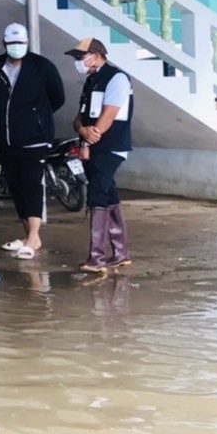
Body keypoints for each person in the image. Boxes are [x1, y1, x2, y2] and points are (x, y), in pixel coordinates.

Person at [0, 23, 66, 259]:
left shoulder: (42, 66)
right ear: (4, 44)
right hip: (7, 139)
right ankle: (30, 237)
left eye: (20, 43)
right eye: (12, 43)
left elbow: (58, 97)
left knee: (32, 184)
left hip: (34, 138)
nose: (16, 47)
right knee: (16, 186)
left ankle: (33, 237)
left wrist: (36, 117)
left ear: (27, 43)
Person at [66, 37, 133, 272]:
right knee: (107, 193)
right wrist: (82, 131)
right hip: (93, 145)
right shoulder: (91, 81)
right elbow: (79, 117)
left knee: (96, 194)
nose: (78, 61)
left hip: (111, 146)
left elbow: (109, 114)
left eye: (81, 57)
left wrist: (89, 137)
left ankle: (97, 258)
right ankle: (120, 253)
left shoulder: (117, 78)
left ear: (96, 56)